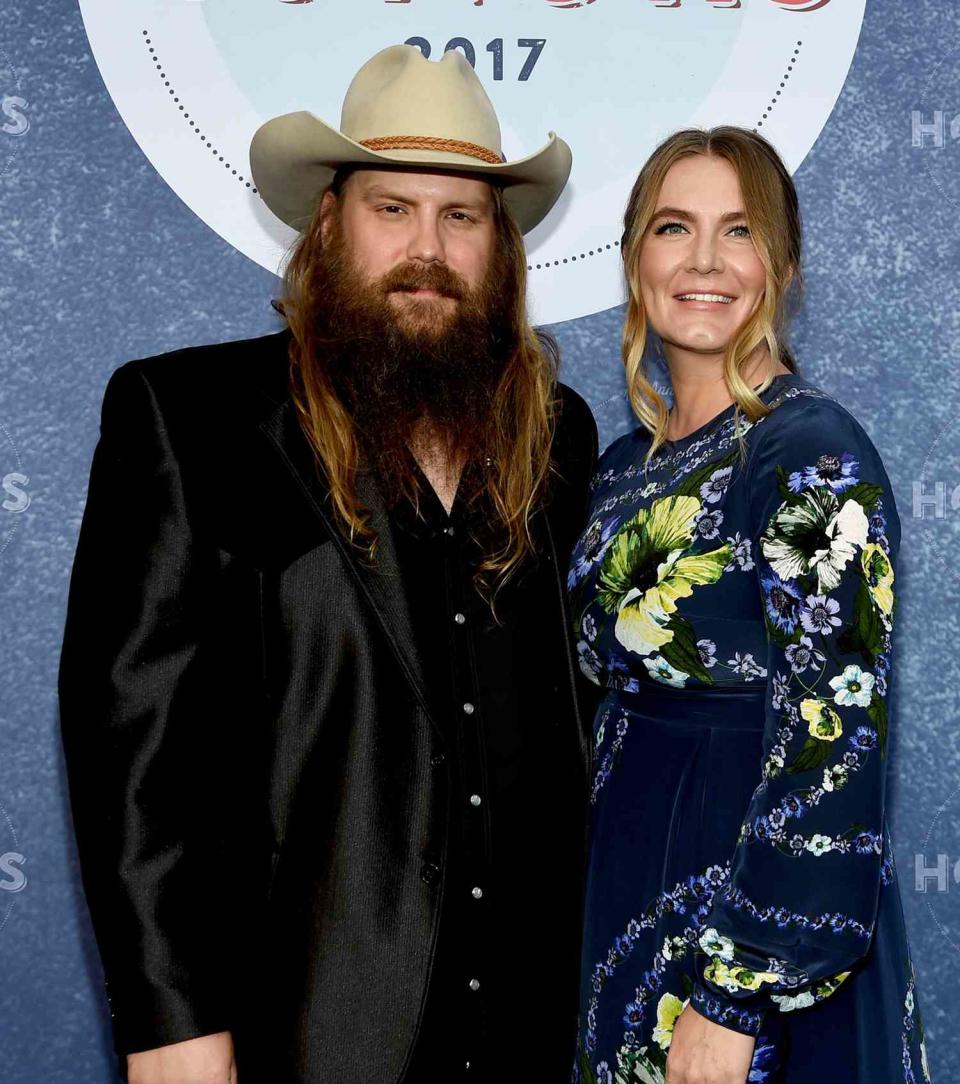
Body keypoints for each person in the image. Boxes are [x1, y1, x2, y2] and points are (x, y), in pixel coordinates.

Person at [57, 44, 598, 1084]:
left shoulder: (555, 438)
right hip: (298, 1026)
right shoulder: (194, 422)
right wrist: (170, 1021)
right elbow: (130, 749)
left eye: (461, 216)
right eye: (392, 209)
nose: (426, 248)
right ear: (330, 225)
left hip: (525, 1027)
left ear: (501, 247)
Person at [567, 127, 930, 1084]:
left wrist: (735, 992)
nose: (704, 262)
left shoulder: (807, 451)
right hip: (627, 889)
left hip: (744, 929)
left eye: (739, 232)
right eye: (673, 228)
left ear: (784, 265)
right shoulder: (618, 469)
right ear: (634, 257)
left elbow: (833, 733)